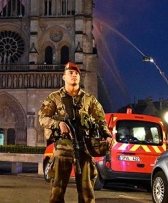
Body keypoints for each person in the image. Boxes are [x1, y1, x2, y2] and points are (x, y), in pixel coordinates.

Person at [39, 62, 113, 203]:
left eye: (76, 73)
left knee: (87, 194)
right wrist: (58, 123)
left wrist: (107, 135)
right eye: (70, 73)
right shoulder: (54, 98)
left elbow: (100, 119)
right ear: (64, 77)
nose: (74, 76)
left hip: (84, 147)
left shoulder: (89, 100)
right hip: (62, 148)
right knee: (57, 192)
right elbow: (42, 117)